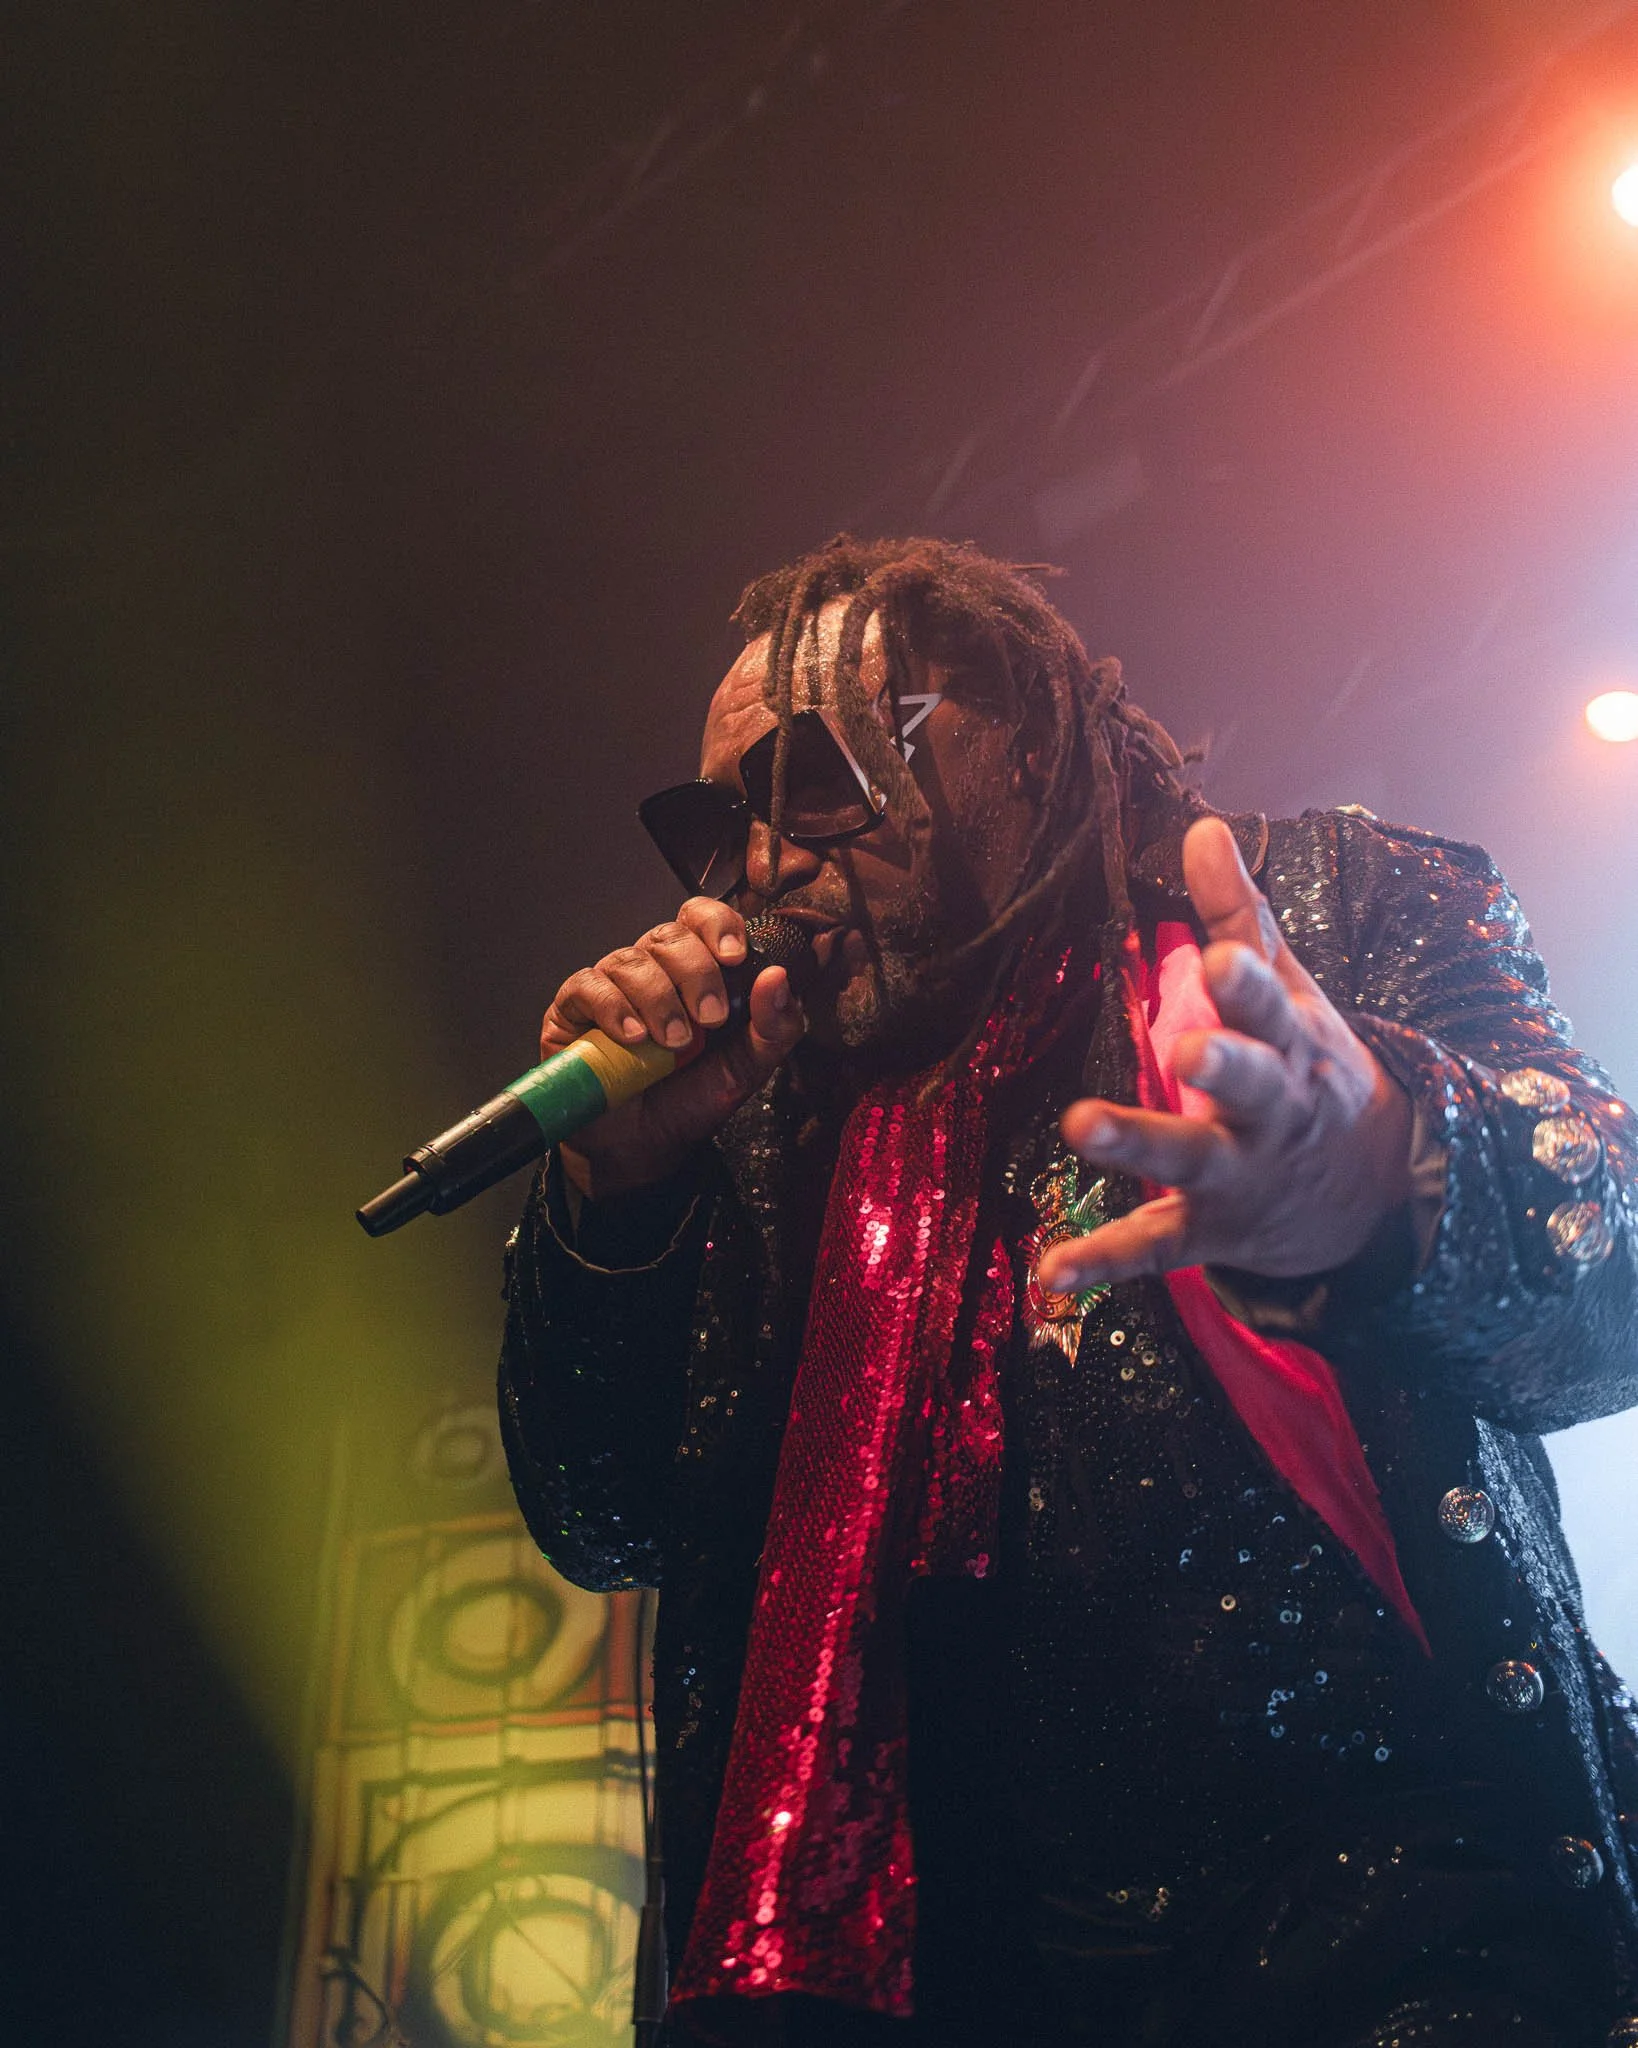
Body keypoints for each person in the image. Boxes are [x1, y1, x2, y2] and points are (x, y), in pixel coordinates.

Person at [498, 535, 1638, 2047]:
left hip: (1402, 1954)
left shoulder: (1318, 915)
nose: (763, 859)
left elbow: (1615, 1291)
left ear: (1025, 747)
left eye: (815, 776)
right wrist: (615, 1203)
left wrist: (1392, 1166)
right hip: (931, 1987)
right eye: (718, 819)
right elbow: (605, 1522)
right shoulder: (753, 1110)